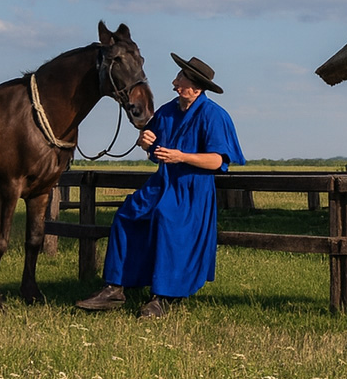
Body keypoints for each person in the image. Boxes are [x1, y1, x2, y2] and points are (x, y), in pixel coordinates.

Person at [76, 54, 245, 318]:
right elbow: (151, 147)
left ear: (196, 88)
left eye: (181, 79)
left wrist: (182, 157)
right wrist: (145, 141)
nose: (174, 83)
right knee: (126, 215)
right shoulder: (167, 111)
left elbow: (217, 161)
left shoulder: (214, 116)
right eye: (178, 77)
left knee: (168, 222)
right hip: (160, 184)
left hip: (192, 189)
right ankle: (115, 286)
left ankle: (162, 297)